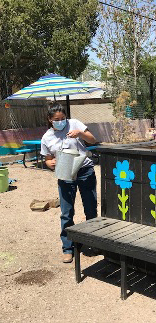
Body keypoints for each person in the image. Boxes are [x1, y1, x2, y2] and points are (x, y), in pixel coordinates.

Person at [40, 103, 98, 263]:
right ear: (50, 120)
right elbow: (48, 159)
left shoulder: (75, 124)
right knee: (66, 212)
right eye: (56, 119)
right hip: (65, 173)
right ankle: (68, 248)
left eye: (63, 118)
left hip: (85, 170)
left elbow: (93, 140)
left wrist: (80, 133)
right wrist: (49, 164)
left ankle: (93, 242)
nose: (60, 121)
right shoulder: (46, 137)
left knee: (91, 208)